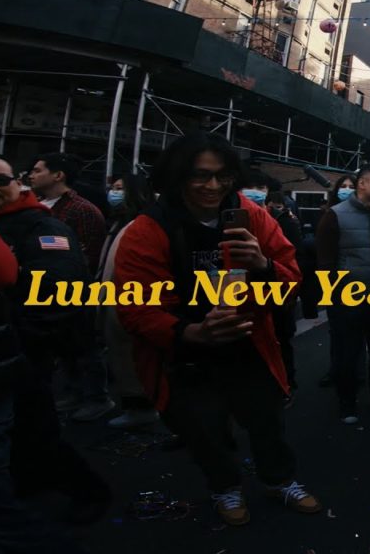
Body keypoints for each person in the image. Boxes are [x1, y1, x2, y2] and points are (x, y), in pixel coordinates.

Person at [113, 133, 320, 526]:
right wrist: (193, 334)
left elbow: (291, 278)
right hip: (185, 355)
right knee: (205, 429)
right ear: (176, 177)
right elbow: (136, 306)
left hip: (250, 345)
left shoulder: (252, 215)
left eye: (222, 176)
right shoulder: (148, 229)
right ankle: (225, 486)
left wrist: (263, 264)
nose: (212, 186)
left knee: (267, 422)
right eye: (200, 176)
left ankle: (280, 480)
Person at [0, 157, 112, 525]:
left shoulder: (43, 226)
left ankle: (85, 494)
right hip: (6, 350)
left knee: (35, 427)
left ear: (17, 183)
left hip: (25, 349)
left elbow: (60, 288)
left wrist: (30, 334)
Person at [27, 152, 112, 421]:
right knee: (62, 346)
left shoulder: (81, 209)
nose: (31, 175)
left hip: (76, 290)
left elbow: (90, 254)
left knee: (84, 346)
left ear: (58, 175)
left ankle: (97, 397)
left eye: (38, 170)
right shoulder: (36, 207)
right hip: (42, 288)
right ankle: (72, 392)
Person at [316, 167, 370, 423]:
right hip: (347, 301)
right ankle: (347, 404)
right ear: (363, 183)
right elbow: (325, 263)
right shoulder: (334, 216)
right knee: (347, 356)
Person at [98, 174, 160, 429]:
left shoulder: (142, 224)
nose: (115, 193)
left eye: (121, 189)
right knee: (121, 356)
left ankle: (142, 408)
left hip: (129, 300)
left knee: (133, 358)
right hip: (113, 298)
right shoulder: (118, 222)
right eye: (113, 188)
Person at [266, 190, 303, 406]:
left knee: (282, 340)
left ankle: (287, 384)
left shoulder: (286, 220)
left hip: (279, 290)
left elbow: (294, 256)